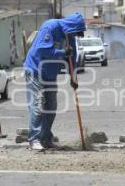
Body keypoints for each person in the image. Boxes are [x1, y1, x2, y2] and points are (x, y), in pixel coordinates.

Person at [24, 12, 86, 150]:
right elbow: (41, 49)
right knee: (38, 105)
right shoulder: (50, 27)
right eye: (76, 32)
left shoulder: (70, 36)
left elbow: (72, 58)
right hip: (35, 70)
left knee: (51, 107)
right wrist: (62, 52)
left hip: (50, 75)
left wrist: (73, 77)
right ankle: (34, 140)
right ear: (71, 26)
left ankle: (46, 139)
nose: (76, 35)